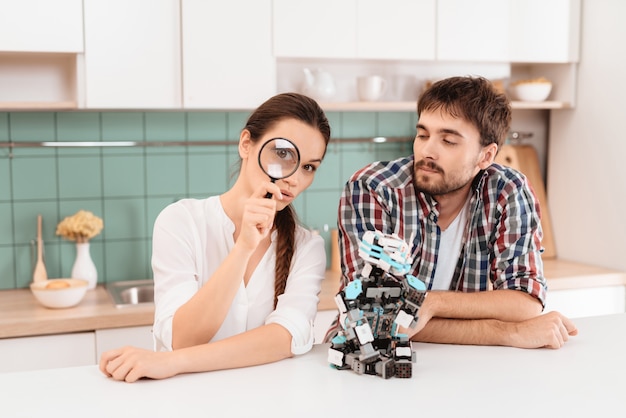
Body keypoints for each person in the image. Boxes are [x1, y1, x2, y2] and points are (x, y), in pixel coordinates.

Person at [328, 76, 578, 349]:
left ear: (486, 156)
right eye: (422, 134)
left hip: (464, 366)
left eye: (448, 141)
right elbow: (375, 317)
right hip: (371, 361)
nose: (427, 150)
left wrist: (429, 303)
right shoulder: (373, 188)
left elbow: (525, 302)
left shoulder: (508, 191)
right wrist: (508, 333)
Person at [100, 92, 331, 382]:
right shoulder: (180, 222)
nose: (295, 178)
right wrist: (243, 248)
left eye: (309, 167)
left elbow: (285, 338)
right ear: (247, 144)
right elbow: (183, 338)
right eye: (283, 154)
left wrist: (170, 362)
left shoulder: (307, 246)